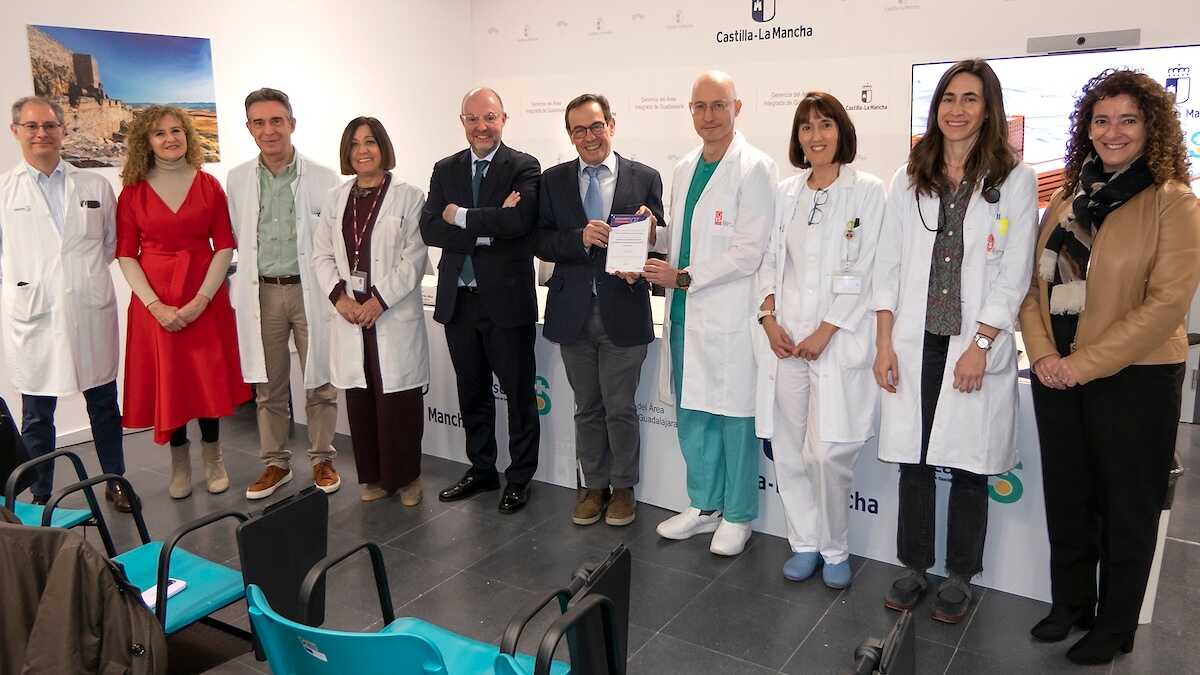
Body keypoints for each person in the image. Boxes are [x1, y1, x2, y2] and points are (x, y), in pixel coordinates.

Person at [1018, 69, 1200, 665]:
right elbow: (1032, 288)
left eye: (1128, 119)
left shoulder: (1173, 202)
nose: (1113, 131)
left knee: (1128, 507)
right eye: (1101, 120)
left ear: (1151, 128)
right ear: (1087, 129)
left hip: (1136, 378)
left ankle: (1115, 625)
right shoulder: (1067, 200)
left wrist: (1082, 365)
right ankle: (1070, 605)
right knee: (1069, 497)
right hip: (1057, 374)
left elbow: (1166, 304)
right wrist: (1044, 354)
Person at [871, 59, 1037, 623]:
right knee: (914, 462)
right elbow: (888, 266)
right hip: (916, 340)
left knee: (969, 467)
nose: (957, 110)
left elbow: (1014, 271)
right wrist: (884, 343)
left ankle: (961, 574)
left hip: (972, 344)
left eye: (970, 99)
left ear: (988, 109)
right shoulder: (909, 177)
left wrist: (982, 345)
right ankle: (915, 566)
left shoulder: (1014, 179)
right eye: (948, 98)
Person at [754, 92, 884, 588]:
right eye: (806, 127)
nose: (816, 136)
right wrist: (768, 317)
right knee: (789, 449)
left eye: (825, 125)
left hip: (836, 341)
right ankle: (804, 543)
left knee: (826, 455)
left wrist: (827, 329)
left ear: (841, 131)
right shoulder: (786, 193)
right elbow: (769, 260)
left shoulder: (867, 191)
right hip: (787, 342)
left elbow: (868, 268)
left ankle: (834, 549)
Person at [645, 71, 777, 556]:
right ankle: (705, 506)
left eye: (718, 105)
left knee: (734, 417)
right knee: (694, 413)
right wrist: (652, 235)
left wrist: (682, 277)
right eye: (699, 106)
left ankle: (738, 514)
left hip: (729, 316)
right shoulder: (684, 166)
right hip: (685, 313)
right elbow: (686, 236)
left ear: (737, 108)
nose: (709, 115)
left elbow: (748, 252)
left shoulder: (756, 168)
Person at [534, 93, 666, 527]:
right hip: (572, 313)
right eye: (578, 130)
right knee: (586, 406)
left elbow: (659, 239)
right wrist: (578, 238)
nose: (588, 136)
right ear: (570, 135)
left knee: (620, 407)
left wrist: (651, 232)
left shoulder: (645, 177)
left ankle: (623, 488)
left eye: (595, 126)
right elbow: (540, 240)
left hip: (623, 310)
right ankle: (593, 486)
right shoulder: (553, 180)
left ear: (611, 125)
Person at [1, 96, 130, 512]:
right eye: (32, 126)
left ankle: (115, 481)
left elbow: (109, 244)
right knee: (37, 412)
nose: (41, 133)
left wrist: (77, 280)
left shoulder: (94, 186)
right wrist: (33, 285)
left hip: (88, 310)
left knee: (104, 404)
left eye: (49, 125)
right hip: (35, 315)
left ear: (63, 130)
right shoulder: (4, 190)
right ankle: (41, 495)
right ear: (15, 131)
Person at [116, 106, 251, 499]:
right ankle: (179, 462)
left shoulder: (209, 185)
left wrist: (202, 299)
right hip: (155, 300)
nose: (170, 138)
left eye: (176, 130)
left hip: (203, 293)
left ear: (187, 136)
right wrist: (154, 305)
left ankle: (214, 457)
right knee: (169, 380)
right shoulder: (133, 191)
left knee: (205, 377)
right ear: (147, 141)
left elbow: (224, 245)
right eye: (159, 133)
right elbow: (125, 253)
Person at [420, 88, 542, 514]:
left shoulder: (523, 166)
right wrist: (489, 229)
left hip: (507, 303)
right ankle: (483, 469)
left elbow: (519, 222)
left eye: (489, 117)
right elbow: (430, 229)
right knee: (471, 392)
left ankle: (520, 476)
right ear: (462, 122)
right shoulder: (445, 169)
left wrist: (460, 217)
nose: (481, 126)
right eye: (472, 119)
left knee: (519, 395)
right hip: (459, 301)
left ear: (503, 118)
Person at [227, 88, 342, 500]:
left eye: (276, 120)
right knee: (269, 385)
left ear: (292, 123)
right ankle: (275, 463)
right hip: (263, 293)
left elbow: (333, 241)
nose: (269, 130)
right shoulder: (238, 179)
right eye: (259, 122)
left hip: (310, 291)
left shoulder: (324, 178)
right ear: (249, 128)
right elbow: (239, 234)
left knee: (320, 380)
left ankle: (322, 457)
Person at [312, 117, 430, 504]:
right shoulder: (335, 198)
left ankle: (408, 479)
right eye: (355, 144)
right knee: (361, 400)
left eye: (370, 142)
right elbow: (321, 255)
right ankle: (374, 477)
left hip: (390, 313)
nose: (362, 150)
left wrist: (379, 300)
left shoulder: (409, 196)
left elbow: (414, 257)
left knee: (399, 402)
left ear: (383, 147)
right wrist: (340, 299)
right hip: (351, 315)